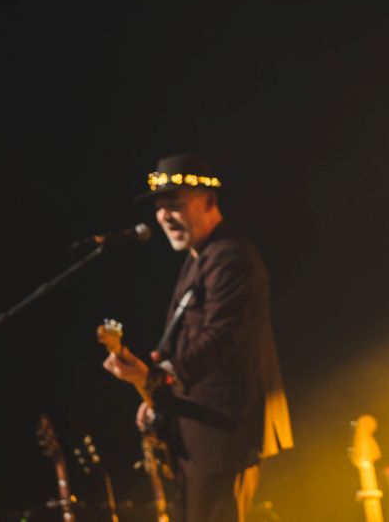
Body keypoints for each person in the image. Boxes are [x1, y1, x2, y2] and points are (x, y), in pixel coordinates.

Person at [104, 153, 293, 522]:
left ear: (209, 201)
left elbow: (219, 339)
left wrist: (156, 377)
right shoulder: (199, 259)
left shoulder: (232, 257)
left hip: (226, 435)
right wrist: (157, 396)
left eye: (174, 203)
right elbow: (183, 342)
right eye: (159, 207)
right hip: (202, 435)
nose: (164, 215)